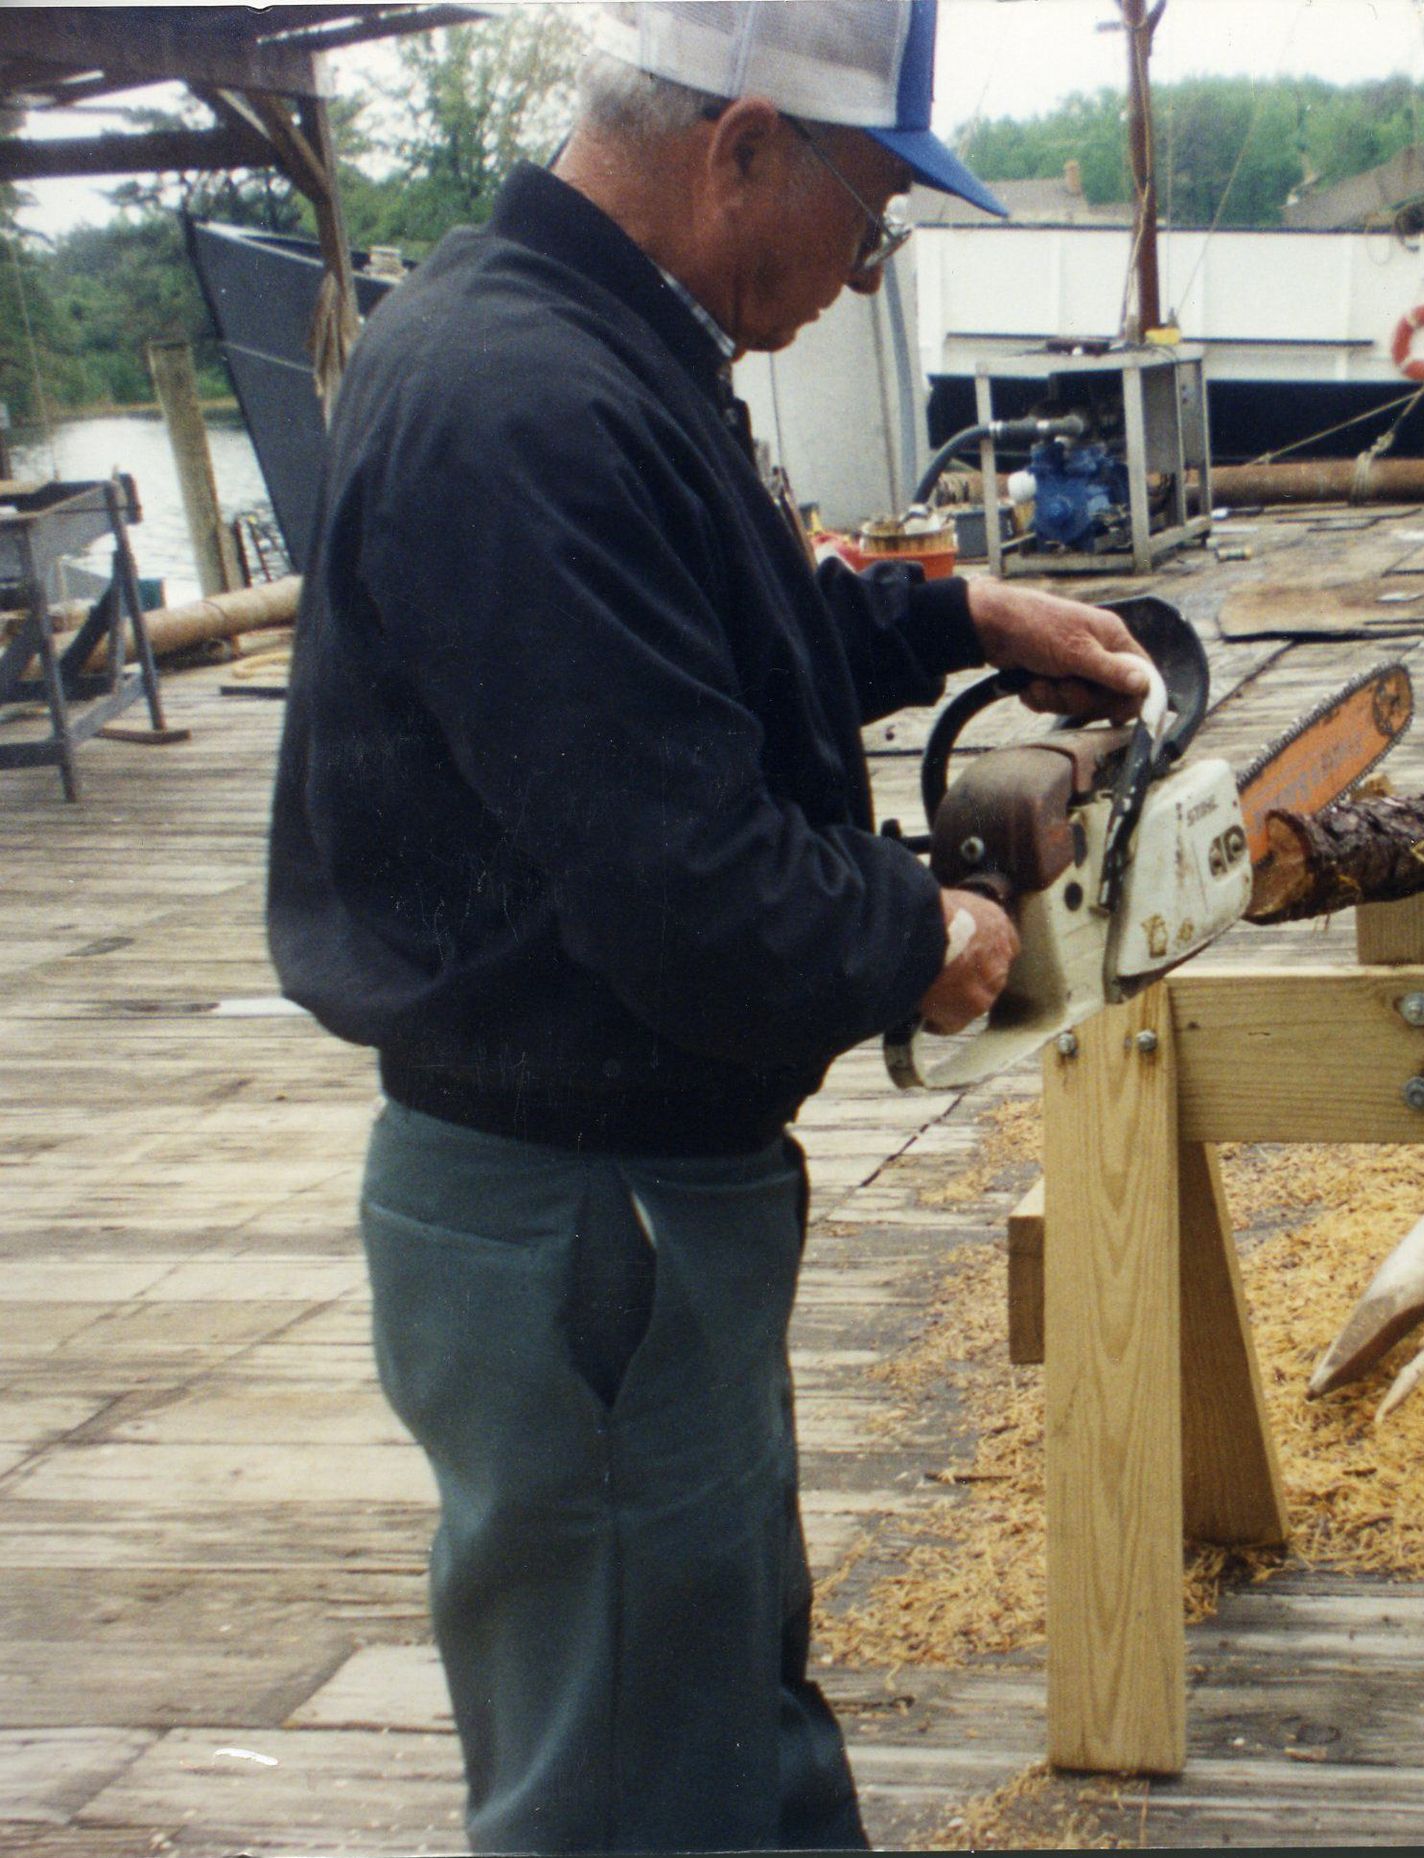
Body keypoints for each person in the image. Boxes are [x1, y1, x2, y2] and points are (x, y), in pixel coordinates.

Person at [266, 3, 1149, 1849]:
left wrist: (947, 617)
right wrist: (920, 931)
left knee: (723, 1713)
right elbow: (690, 888)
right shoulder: (524, 405)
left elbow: (680, 638)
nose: (860, 270)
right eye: (869, 217)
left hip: (631, 1209)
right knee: (635, 1783)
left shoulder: (574, 338)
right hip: (582, 1222)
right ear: (742, 148)